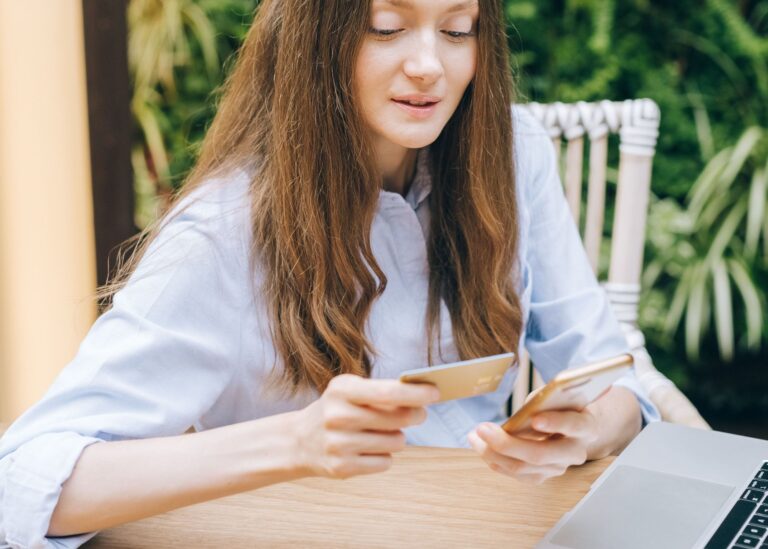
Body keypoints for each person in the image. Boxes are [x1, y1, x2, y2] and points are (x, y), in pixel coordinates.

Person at [0, 0, 659, 546]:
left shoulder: (515, 158)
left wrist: (589, 430)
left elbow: (616, 381)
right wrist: (296, 439)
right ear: (317, 36)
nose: (430, 64)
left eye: (459, 30)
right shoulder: (223, 233)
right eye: (386, 27)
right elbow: (22, 483)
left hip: (494, 522)